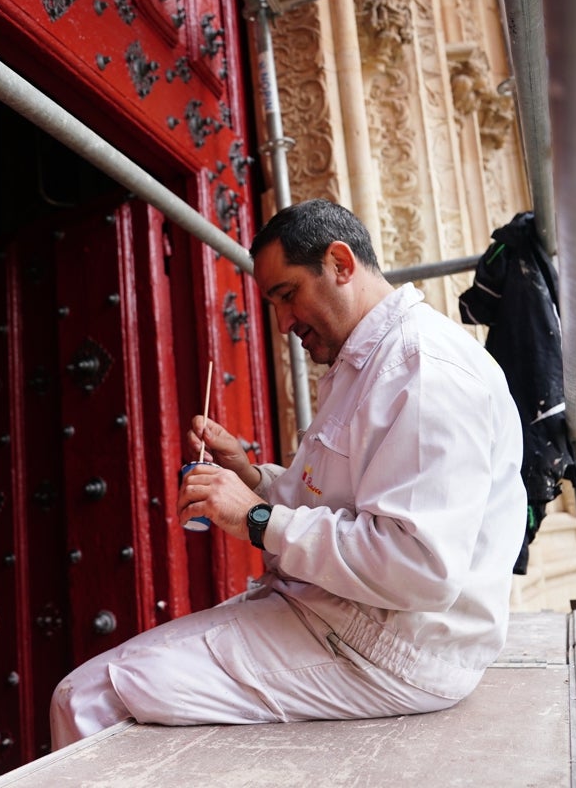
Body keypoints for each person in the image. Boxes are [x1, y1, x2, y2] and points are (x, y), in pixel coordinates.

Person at [49, 198, 526, 747]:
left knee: (87, 699)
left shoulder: (423, 368)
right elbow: (340, 504)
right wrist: (251, 478)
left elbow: (419, 567)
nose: (282, 325)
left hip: (391, 648)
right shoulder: (365, 360)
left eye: (287, 295)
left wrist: (253, 519)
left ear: (341, 264)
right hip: (344, 618)